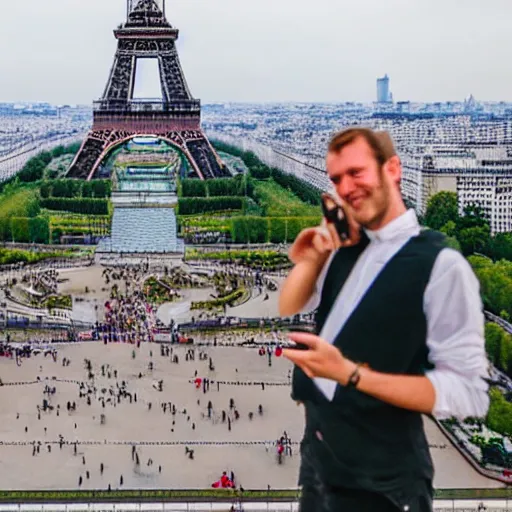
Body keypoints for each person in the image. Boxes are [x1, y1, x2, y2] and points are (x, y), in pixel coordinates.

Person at [279, 127, 489, 512]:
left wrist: (351, 374)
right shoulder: (342, 250)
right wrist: (311, 258)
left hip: (386, 484)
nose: (345, 187)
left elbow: (469, 393)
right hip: (321, 467)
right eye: (336, 179)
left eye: (356, 172)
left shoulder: (441, 266)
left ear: (393, 168)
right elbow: (290, 304)